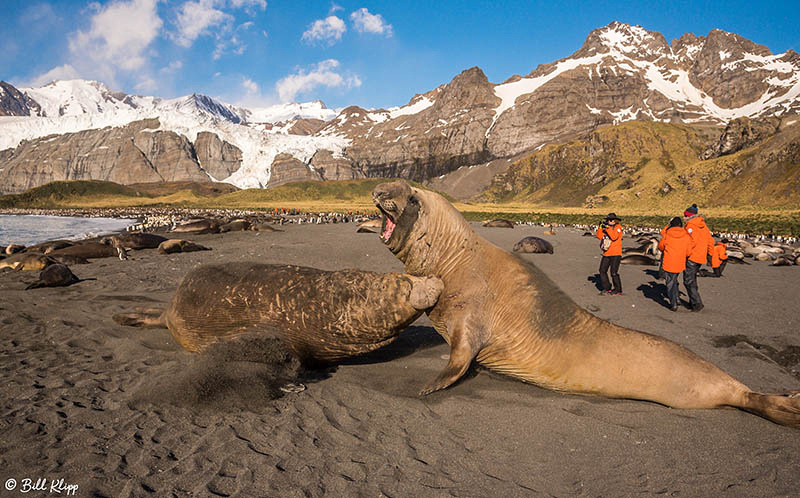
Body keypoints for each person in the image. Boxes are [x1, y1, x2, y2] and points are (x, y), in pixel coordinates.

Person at [657, 217, 695, 311]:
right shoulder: (686, 236)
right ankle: (677, 298)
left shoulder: (667, 234)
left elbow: (661, 247)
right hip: (680, 263)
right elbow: (689, 252)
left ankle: (673, 303)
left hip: (668, 262)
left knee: (670, 282)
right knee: (674, 280)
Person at [683, 204, 715, 311]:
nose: (684, 217)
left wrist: (685, 254)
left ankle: (697, 303)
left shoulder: (690, 226)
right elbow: (711, 241)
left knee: (688, 280)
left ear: (689, 216)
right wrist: (710, 255)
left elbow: (690, 242)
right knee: (693, 279)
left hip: (692, 257)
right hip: (700, 257)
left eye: (685, 215)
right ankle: (693, 301)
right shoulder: (703, 225)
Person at [596, 213, 623, 295]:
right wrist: (600, 228)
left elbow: (614, 237)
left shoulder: (618, 228)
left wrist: (608, 228)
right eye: (608, 220)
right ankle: (607, 287)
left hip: (616, 253)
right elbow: (599, 236)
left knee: (613, 273)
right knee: (602, 270)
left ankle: (618, 289)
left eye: (611, 220)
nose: (610, 221)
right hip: (607, 253)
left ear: (615, 220)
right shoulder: (607, 228)